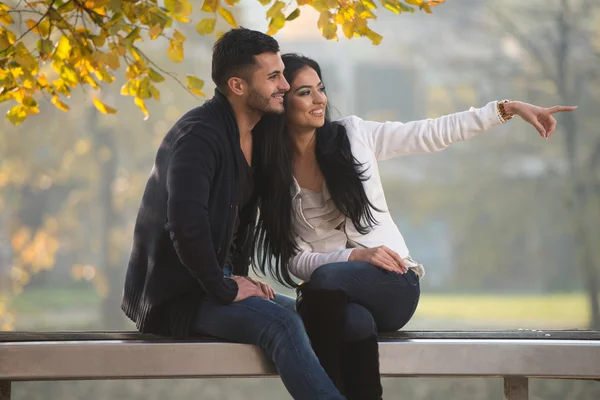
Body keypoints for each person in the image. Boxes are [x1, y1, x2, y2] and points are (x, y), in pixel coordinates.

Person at [252, 53, 577, 400]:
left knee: (324, 282)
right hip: (335, 301)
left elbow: (429, 133)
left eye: (321, 88)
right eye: (305, 92)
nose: (320, 100)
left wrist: (505, 109)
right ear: (281, 102)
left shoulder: (353, 135)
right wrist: (355, 255)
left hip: (392, 285)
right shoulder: (272, 171)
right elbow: (294, 259)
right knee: (352, 321)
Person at [121, 31, 346, 400]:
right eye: (273, 77)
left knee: (323, 318)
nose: (285, 85)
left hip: (215, 282)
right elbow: (185, 225)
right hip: (179, 298)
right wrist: (225, 286)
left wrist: (236, 277)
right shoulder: (200, 137)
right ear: (237, 85)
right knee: (285, 325)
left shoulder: (256, 134)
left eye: (283, 75)